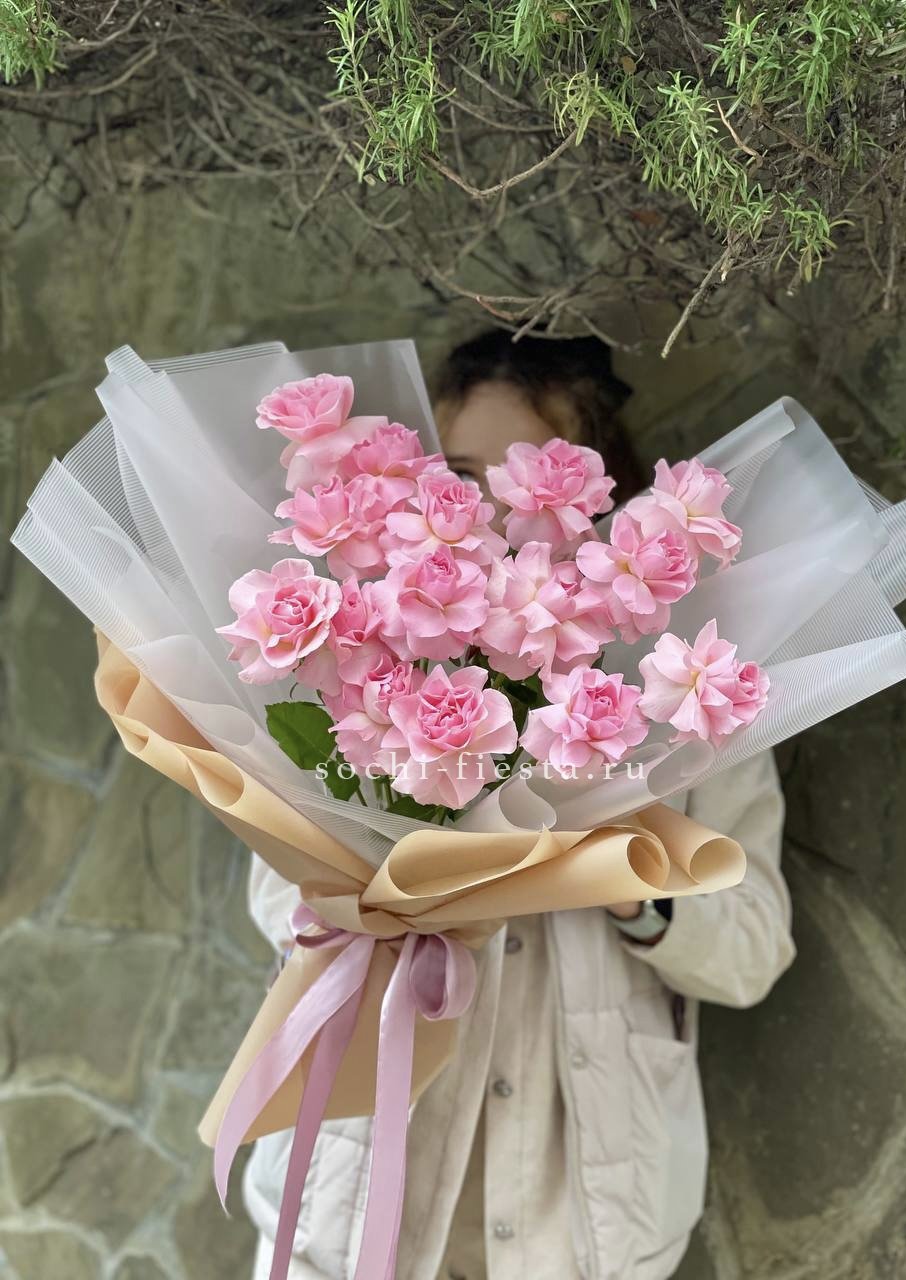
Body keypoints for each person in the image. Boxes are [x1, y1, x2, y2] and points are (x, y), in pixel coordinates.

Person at [243, 330, 796, 1280]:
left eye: (533, 477)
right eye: (463, 474)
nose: (490, 509)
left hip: (582, 1227)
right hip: (354, 1208)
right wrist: (391, 876)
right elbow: (271, 897)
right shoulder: (359, 665)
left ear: (603, 497)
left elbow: (754, 949)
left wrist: (628, 884)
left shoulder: (690, 696)